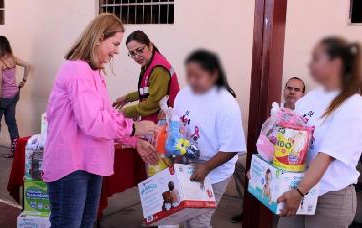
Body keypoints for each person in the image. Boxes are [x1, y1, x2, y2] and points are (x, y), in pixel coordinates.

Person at [42, 14, 159, 228]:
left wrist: (135, 141)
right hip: (71, 165)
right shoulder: (77, 70)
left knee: (86, 223)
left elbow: (107, 115)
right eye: (114, 44)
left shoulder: (92, 72)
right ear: (98, 38)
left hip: (89, 162)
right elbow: (93, 121)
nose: (116, 51)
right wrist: (134, 128)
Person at [277, 36, 362, 227]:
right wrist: (267, 167)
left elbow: (326, 156)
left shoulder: (353, 104)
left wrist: (299, 192)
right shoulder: (309, 99)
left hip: (329, 198)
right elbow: (288, 141)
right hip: (296, 187)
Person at [174, 49, 247, 228]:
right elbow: (177, 128)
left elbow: (231, 148)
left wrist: (206, 167)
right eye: (190, 75)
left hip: (215, 172)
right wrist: (175, 157)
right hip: (186, 167)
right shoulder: (183, 95)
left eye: (198, 76)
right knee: (175, 216)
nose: (193, 81)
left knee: (198, 221)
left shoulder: (226, 104)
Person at [230, 77, 306, 223]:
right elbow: (266, 136)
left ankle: (277, 214)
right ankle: (247, 205)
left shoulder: (305, 113)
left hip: (291, 160)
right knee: (240, 162)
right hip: (269, 155)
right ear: (284, 90)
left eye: (297, 90)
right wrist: (257, 163)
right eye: (289, 88)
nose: (292, 92)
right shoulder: (277, 110)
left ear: (303, 94)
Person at [114, 30, 180, 123]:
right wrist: (127, 98)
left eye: (140, 50)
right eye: (132, 53)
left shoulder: (158, 69)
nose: (137, 56)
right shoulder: (149, 64)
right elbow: (149, 91)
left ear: (150, 46)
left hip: (163, 125)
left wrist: (125, 112)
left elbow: (153, 103)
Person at [0, 36, 30, 158]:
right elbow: (28, 65)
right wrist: (24, 81)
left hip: (3, 98)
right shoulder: (13, 59)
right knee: (11, 123)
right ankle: (16, 151)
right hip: (14, 95)